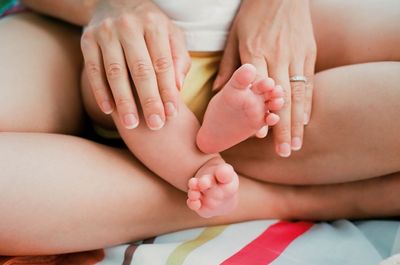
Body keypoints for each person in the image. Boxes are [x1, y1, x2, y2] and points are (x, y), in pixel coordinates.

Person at [0, 0, 399, 256]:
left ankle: (205, 153)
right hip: (94, 39)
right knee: (139, 92)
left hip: (261, 24)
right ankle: (275, 191)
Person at [80, 0, 285, 218]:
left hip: (235, 46)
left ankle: (217, 131)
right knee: (130, 73)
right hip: (141, 43)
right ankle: (204, 168)